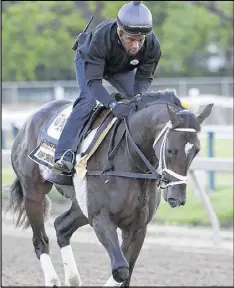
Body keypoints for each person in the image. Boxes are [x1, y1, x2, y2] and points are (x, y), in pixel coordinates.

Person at [52, 0, 161, 175]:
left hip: (120, 67)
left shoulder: (152, 45)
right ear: (120, 32)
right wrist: (112, 104)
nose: (136, 45)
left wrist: (137, 98)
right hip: (89, 58)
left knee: (140, 103)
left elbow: (144, 78)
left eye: (140, 40)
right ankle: (64, 154)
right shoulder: (102, 37)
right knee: (88, 101)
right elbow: (94, 83)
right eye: (131, 39)